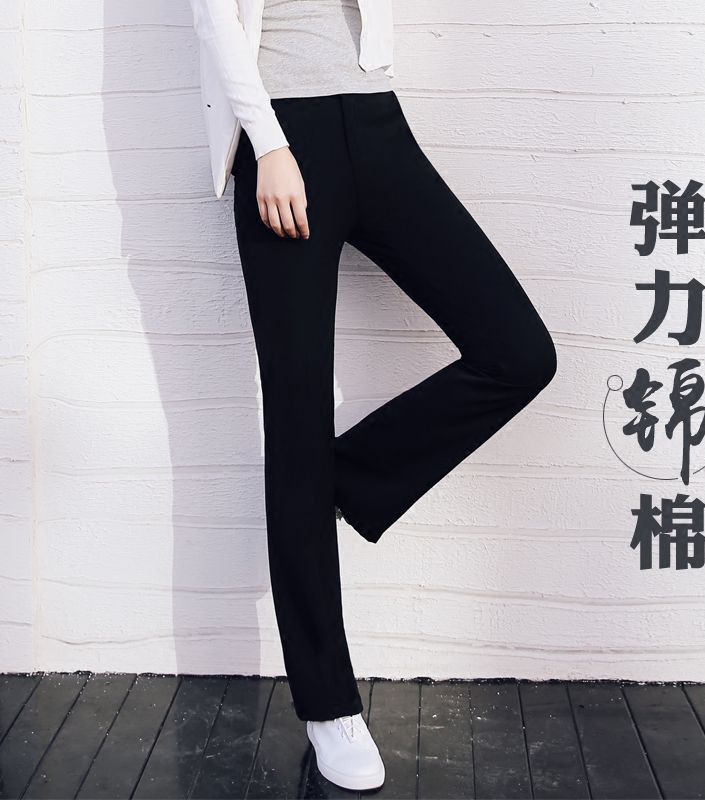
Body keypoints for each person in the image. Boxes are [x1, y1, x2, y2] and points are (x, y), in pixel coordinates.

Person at [188, 0, 558, 790]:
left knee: (519, 353)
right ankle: (328, 705)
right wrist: (269, 145)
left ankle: (344, 479)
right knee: (296, 417)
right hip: (283, 137)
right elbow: (216, 19)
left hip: (376, 120)